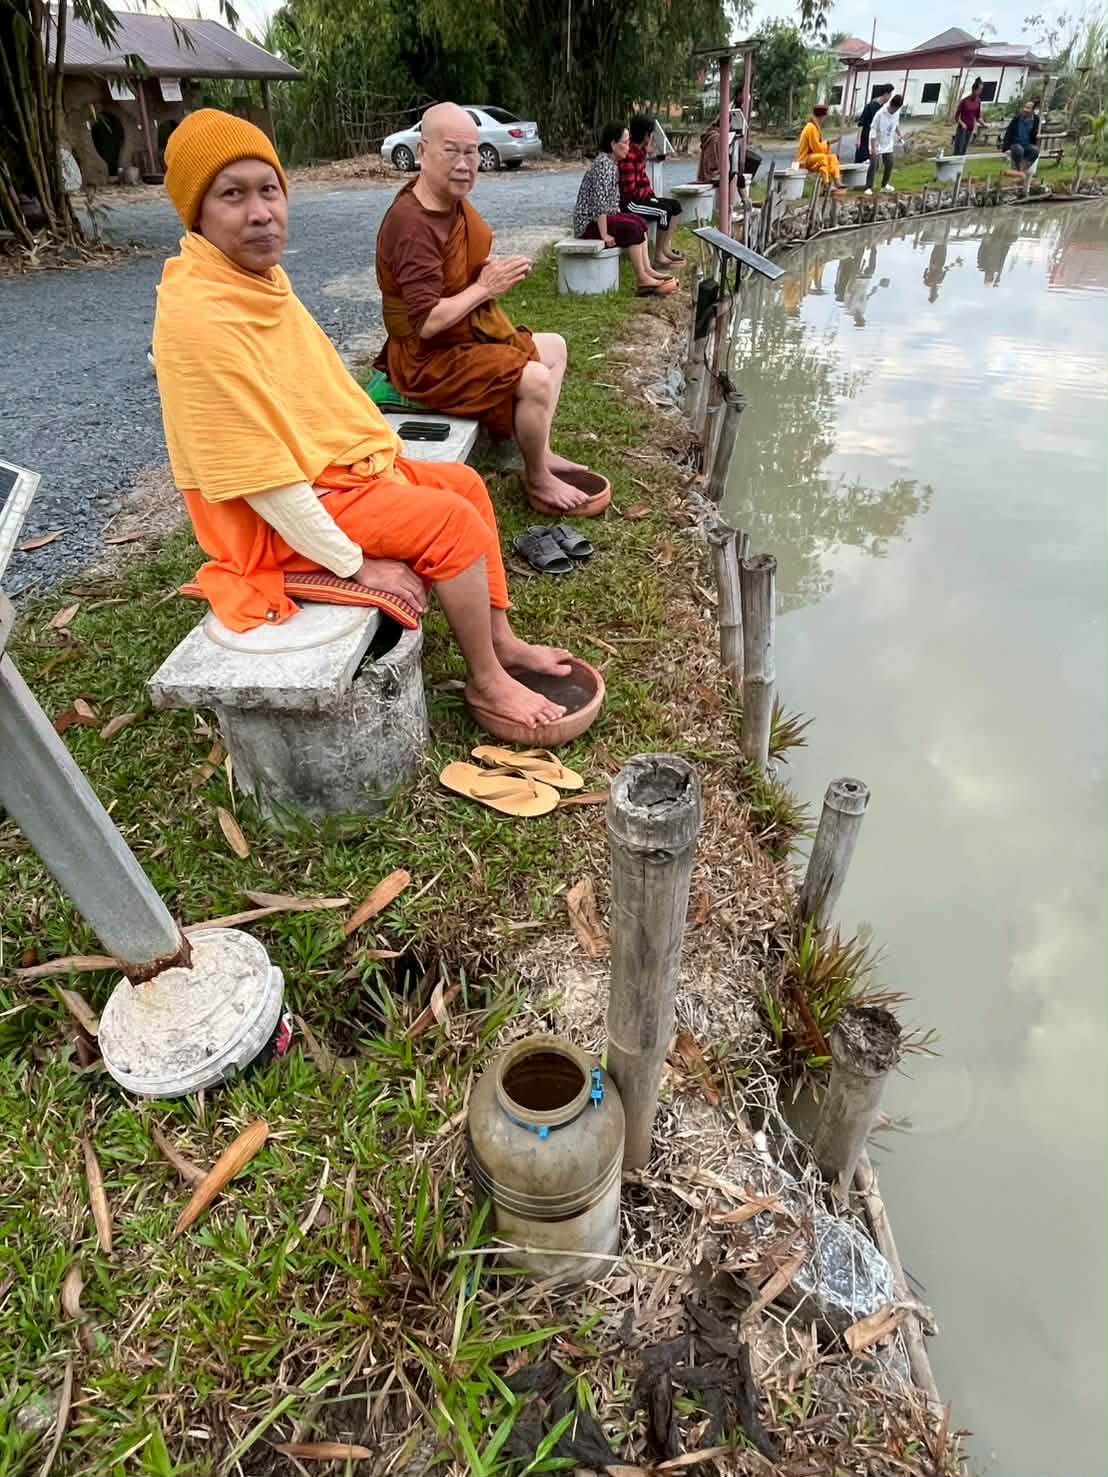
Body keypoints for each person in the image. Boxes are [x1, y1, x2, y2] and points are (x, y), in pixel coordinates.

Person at [153, 108, 574, 733]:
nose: (261, 212)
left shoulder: (256, 281)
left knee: (465, 486)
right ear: (197, 212)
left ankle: (502, 643)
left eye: (269, 189)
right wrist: (353, 563)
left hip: (326, 473)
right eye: (232, 195)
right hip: (272, 517)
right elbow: (260, 478)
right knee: (452, 524)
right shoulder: (199, 318)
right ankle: (487, 683)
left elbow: (312, 399)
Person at [375, 102, 607, 517]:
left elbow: (456, 274)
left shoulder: (448, 204)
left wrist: (483, 276)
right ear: (423, 152)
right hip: (424, 359)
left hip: (459, 337)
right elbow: (426, 323)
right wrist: (485, 287)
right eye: (452, 151)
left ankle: (540, 449)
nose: (465, 164)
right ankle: (536, 479)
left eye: (472, 152)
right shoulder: (412, 224)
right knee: (535, 378)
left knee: (555, 348)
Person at [573, 122, 675, 297]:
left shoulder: (612, 163)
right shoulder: (603, 165)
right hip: (589, 224)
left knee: (639, 222)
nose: (628, 147)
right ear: (613, 144)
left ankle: (648, 270)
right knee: (632, 229)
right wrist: (605, 234)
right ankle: (642, 279)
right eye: (625, 142)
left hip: (604, 217)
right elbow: (600, 204)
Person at [618, 113, 684, 269]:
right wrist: (649, 199)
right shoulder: (629, 155)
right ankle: (658, 256)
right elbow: (630, 190)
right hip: (631, 203)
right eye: (651, 134)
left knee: (675, 206)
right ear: (646, 135)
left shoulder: (640, 152)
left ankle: (665, 247)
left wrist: (652, 196)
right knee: (663, 212)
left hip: (641, 198)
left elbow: (643, 180)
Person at [796, 105, 844, 189]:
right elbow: (816, 148)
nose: (824, 119)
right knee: (823, 158)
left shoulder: (815, 126)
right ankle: (826, 184)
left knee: (832, 157)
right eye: (824, 117)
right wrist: (828, 142)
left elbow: (818, 147)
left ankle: (837, 180)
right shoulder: (811, 127)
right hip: (805, 159)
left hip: (813, 157)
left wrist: (828, 143)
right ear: (821, 116)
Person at [865, 93, 904, 194]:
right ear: (891, 105)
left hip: (887, 141)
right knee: (874, 164)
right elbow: (873, 130)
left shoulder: (896, 112)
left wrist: (899, 135)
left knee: (890, 163)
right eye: (894, 109)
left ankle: (884, 185)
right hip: (876, 141)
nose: (894, 111)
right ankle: (868, 187)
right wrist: (873, 148)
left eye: (897, 109)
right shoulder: (880, 113)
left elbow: (896, 124)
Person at [855, 83, 893, 165]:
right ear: (885, 94)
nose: (890, 97)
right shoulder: (870, 106)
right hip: (865, 138)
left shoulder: (884, 108)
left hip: (876, 139)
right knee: (862, 162)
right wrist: (858, 140)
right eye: (890, 95)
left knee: (873, 162)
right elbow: (861, 123)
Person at [1003, 99, 1040, 174]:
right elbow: (1008, 133)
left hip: (1027, 144)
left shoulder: (1036, 119)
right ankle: (1020, 171)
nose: (1025, 110)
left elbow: (1034, 135)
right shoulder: (1017, 118)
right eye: (1025, 107)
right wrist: (1006, 148)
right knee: (1019, 150)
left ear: (1033, 110)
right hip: (1015, 144)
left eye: (1028, 108)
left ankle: (1021, 170)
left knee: (1035, 150)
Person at [953, 77, 984, 156]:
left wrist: (984, 124)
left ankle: (960, 163)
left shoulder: (978, 101)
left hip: (970, 129)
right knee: (958, 150)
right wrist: (962, 123)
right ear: (974, 90)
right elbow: (956, 117)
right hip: (962, 129)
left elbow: (978, 117)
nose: (981, 91)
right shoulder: (965, 101)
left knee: (964, 150)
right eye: (980, 89)